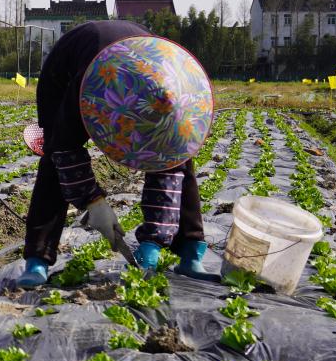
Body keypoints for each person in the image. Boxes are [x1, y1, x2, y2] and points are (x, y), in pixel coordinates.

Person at [18, 21, 215, 286]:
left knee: (177, 154)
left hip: (146, 60)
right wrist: (93, 201)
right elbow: (66, 150)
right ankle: (37, 260)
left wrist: (154, 240)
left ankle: (191, 251)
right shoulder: (89, 90)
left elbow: (169, 171)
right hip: (66, 72)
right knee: (55, 156)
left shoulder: (177, 90)